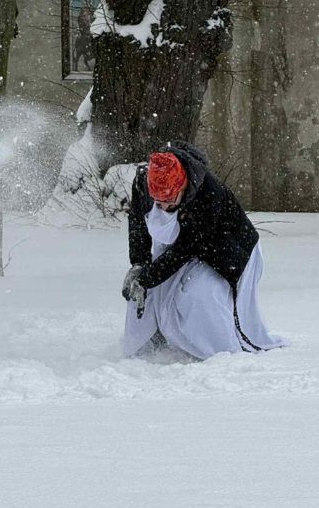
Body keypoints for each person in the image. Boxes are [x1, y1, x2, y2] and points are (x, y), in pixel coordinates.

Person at [121, 141, 284, 360]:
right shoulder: (144, 183)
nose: (163, 208)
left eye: (169, 201)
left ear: (182, 186)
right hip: (186, 245)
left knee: (197, 294)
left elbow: (185, 249)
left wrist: (146, 279)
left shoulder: (208, 193)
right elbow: (138, 223)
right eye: (158, 203)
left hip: (227, 250)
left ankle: (220, 350)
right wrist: (139, 264)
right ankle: (151, 340)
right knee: (147, 291)